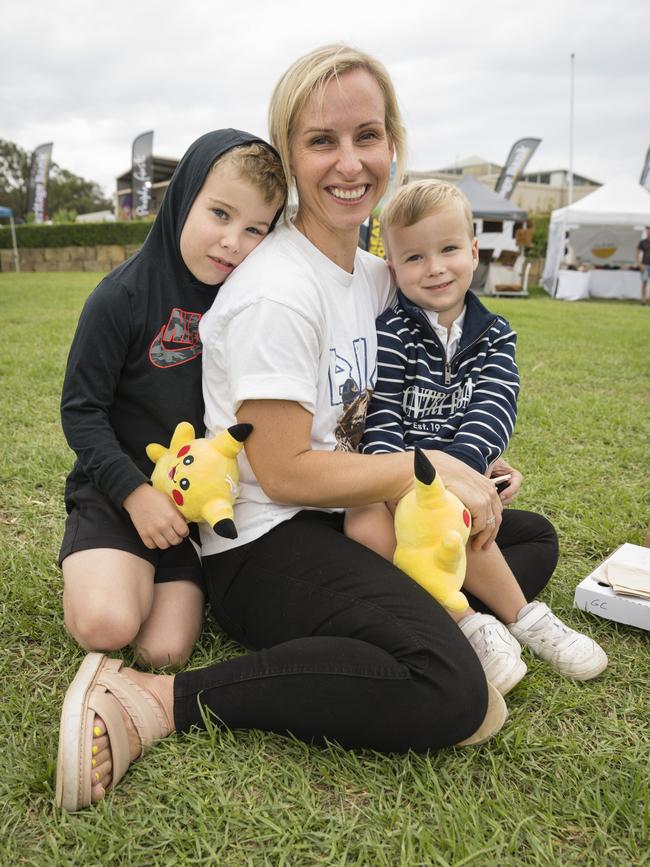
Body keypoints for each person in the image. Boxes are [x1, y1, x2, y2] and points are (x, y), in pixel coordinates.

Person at [57, 45, 558, 812]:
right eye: (322, 140)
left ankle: (382, 636)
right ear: (291, 155)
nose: (350, 162)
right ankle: (154, 698)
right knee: (452, 692)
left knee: (528, 541)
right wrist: (424, 468)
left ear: (393, 142)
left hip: (343, 515)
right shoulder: (277, 291)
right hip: (265, 542)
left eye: (369, 135)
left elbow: (399, 391)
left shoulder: (368, 273)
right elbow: (286, 471)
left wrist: (468, 460)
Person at [345, 179, 608, 694]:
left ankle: (527, 620)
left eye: (448, 250)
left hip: (457, 477)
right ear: (392, 268)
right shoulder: (390, 331)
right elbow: (383, 417)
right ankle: (467, 621)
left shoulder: (495, 334)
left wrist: (466, 473)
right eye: (415, 257)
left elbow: (494, 407)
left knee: (495, 525)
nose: (436, 267)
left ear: (473, 250)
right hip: (396, 472)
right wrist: (417, 479)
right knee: (363, 527)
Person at [58, 130, 286, 669]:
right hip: (119, 495)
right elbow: (80, 411)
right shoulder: (121, 297)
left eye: (255, 228)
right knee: (107, 625)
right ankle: (91, 556)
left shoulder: (251, 301)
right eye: (221, 214)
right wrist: (134, 494)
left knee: (163, 653)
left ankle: (160, 573)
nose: (233, 241)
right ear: (182, 197)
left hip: (192, 509)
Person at [637, 226, 650, 305]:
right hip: (645, 265)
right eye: (648, 230)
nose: (649, 231)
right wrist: (640, 264)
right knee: (644, 283)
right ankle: (643, 301)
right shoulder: (642, 242)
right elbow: (637, 254)